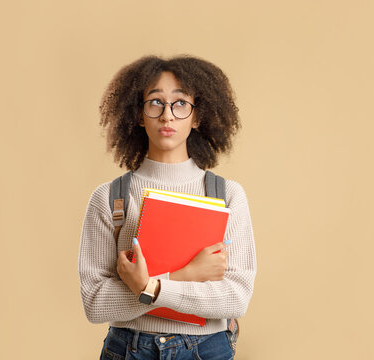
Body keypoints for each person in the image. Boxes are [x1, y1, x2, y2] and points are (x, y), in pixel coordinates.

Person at [79, 55, 257, 360]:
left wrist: (148, 286)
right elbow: (96, 303)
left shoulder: (227, 196)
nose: (167, 116)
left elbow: (235, 299)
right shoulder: (109, 198)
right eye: (155, 102)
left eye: (180, 103)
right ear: (138, 114)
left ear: (197, 117)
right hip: (129, 350)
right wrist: (186, 274)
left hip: (207, 350)